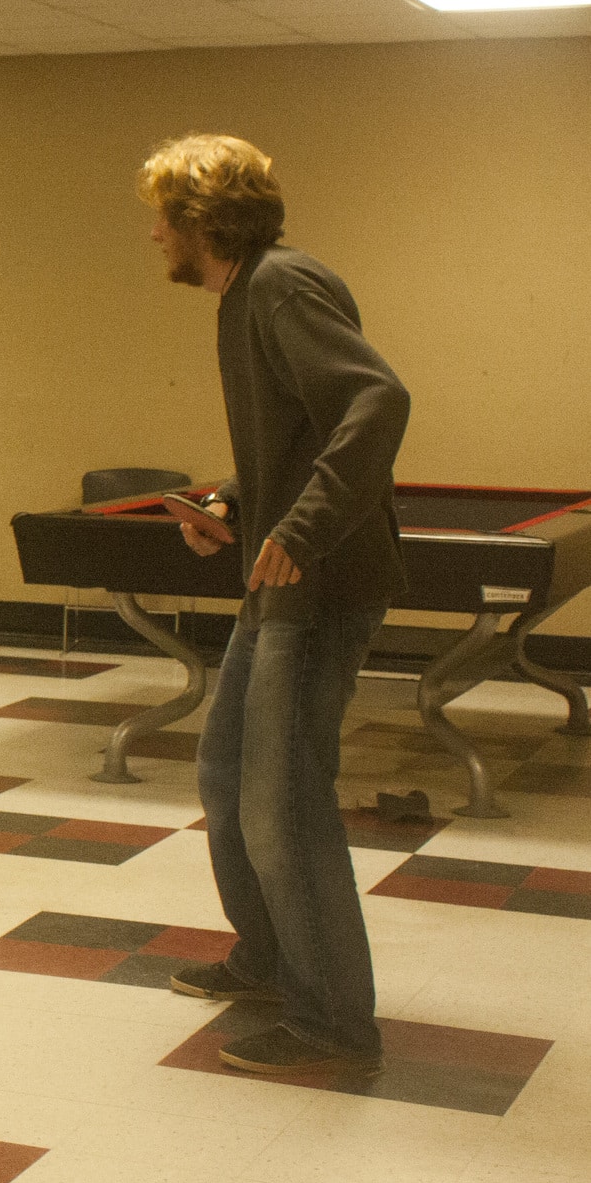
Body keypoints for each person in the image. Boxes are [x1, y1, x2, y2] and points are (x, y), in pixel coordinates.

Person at [144, 134, 409, 1076]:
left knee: (284, 801)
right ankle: (269, 958)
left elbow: (376, 401)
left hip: (318, 583)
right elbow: (296, 442)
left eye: (162, 217)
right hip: (276, 576)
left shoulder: (280, 286)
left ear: (200, 217)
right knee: (227, 780)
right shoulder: (243, 295)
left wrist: (297, 529)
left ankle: (335, 1020)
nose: (155, 235)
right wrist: (230, 504)